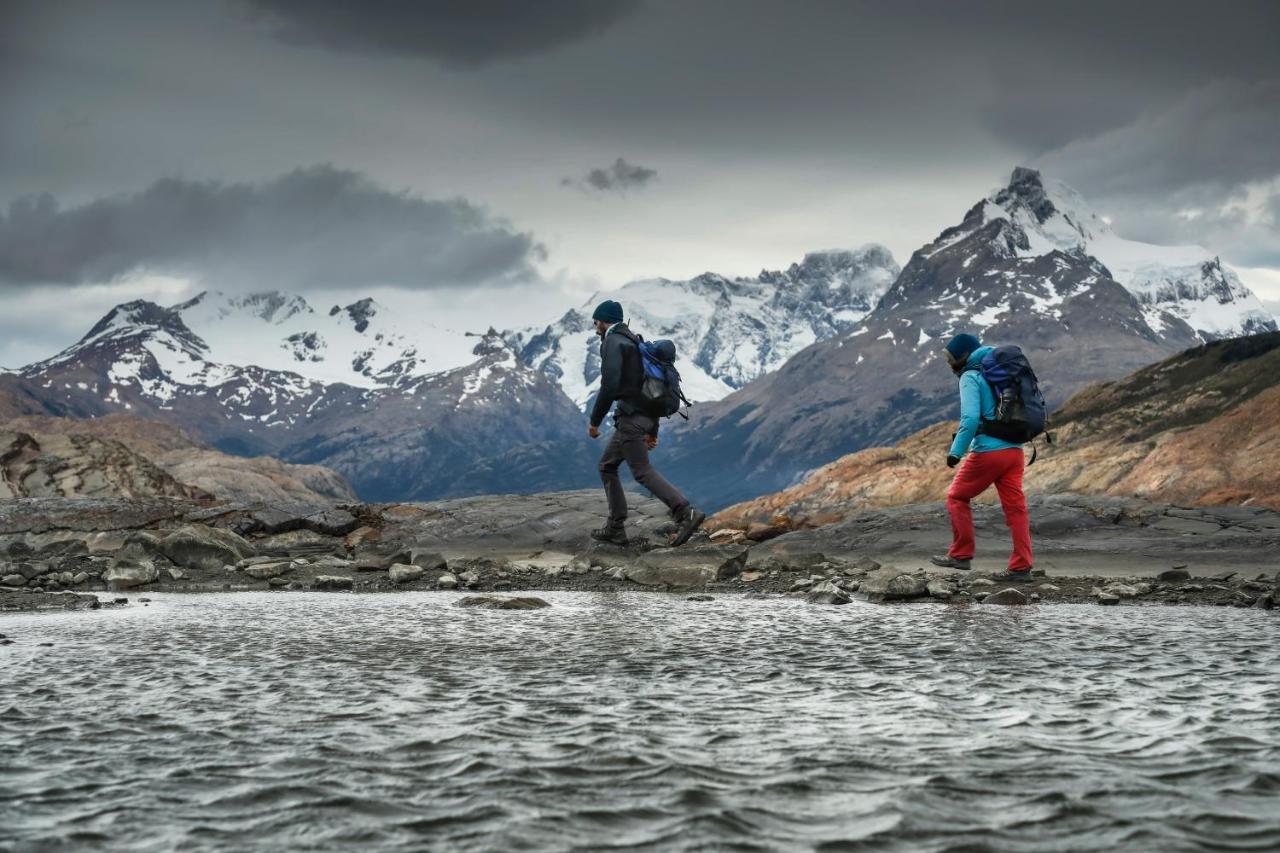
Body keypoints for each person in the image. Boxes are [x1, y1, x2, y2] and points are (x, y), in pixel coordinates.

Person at [587, 299, 705, 547]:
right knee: (607, 465)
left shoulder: (613, 342)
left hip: (631, 419)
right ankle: (615, 528)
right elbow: (649, 391)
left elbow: (609, 386)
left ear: (604, 320)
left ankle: (685, 512)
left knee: (641, 471)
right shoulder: (633, 340)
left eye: (596, 320)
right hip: (641, 417)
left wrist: (595, 421)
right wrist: (653, 428)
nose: (594, 325)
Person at [930, 333, 1034, 581]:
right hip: (1015, 451)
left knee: (956, 496)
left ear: (963, 356)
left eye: (951, 358)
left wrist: (955, 452)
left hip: (989, 452)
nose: (949, 363)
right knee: (1016, 510)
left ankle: (961, 554)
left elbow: (970, 419)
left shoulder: (970, 376)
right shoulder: (999, 372)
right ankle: (1022, 567)